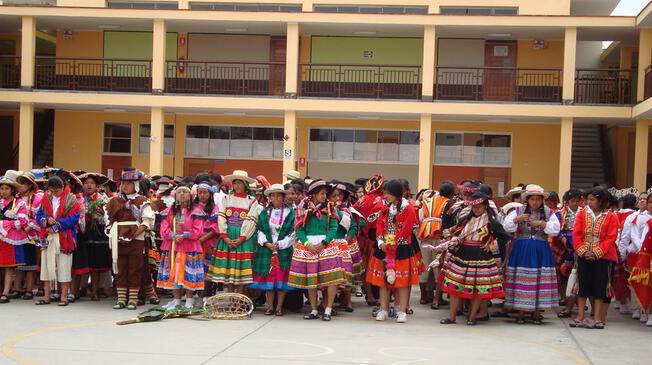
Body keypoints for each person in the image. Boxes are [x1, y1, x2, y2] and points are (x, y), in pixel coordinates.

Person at [438, 192, 510, 325]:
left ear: (485, 206)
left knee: (477, 288)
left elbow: (504, 237)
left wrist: (492, 245)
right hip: (462, 255)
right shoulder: (465, 220)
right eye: (474, 207)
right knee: (455, 286)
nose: (476, 209)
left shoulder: (491, 222)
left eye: (479, 207)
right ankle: (452, 317)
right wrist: (455, 240)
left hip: (481, 257)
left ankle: (472, 317)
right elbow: (457, 233)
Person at [503, 184, 561, 324]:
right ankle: (520, 312)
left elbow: (555, 230)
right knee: (521, 279)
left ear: (542, 201)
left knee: (539, 280)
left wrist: (542, 224)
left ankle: (536, 312)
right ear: (527, 200)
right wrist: (517, 220)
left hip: (540, 249)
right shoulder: (518, 211)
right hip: (521, 249)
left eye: (538, 199)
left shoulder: (548, 213)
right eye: (532, 199)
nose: (535, 202)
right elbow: (506, 226)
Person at [288, 179, 345, 321]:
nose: (324, 196)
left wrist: (324, 242)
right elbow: (299, 228)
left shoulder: (330, 207)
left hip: (326, 244)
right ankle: (314, 309)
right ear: (313, 194)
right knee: (310, 278)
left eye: (325, 193)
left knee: (332, 278)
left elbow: (333, 227)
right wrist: (307, 243)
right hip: (308, 245)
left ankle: (328, 309)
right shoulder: (303, 207)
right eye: (322, 193)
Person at [368, 179, 421, 323]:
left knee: (402, 282)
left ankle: (402, 311)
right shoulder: (385, 209)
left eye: (387, 193)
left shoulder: (408, 209)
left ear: (396, 194)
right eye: (385, 193)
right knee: (382, 282)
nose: (385, 196)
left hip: (402, 248)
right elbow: (379, 225)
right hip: (384, 248)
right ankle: (383, 309)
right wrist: (380, 242)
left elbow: (406, 230)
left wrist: (392, 243)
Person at [105, 167, 156, 310]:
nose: (125, 186)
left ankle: (132, 299)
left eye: (128, 183)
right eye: (123, 183)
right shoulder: (114, 201)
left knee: (134, 269)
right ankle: (121, 299)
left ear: (136, 185)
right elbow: (108, 218)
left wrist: (134, 234)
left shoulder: (143, 200)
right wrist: (115, 233)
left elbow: (147, 221)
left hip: (137, 239)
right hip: (118, 238)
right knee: (120, 268)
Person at [570, 188, 619, 329]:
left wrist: (597, 252)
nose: (588, 202)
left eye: (592, 199)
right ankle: (580, 315)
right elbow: (577, 233)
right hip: (584, 254)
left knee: (600, 285)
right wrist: (584, 251)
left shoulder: (611, 216)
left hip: (602, 256)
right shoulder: (582, 213)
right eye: (588, 199)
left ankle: (597, 316)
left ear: (601, 201)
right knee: (582, 284)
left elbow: (611, 237)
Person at [208, 170, 260, 293]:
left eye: (240, 183)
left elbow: (251, 220)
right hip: (227, 235)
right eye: (235, 183)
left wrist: (242, 238)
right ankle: (230, 297)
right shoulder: (226, 199)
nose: (237, 186)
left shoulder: (251, 200)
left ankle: (238, 300)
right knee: (228, 271)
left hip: (243, 238)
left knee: (241, 270)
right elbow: (221, 216)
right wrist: (224, 236)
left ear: (245, 184)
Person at [250, 184, 296, 316]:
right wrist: (266, 242)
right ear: (269, 197)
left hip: (284, 249)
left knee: (281, 280)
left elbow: (293, 233)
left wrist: (281, 244)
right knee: (269, 279)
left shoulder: (290, 213)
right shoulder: (264, 212)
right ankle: (270, 306)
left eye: (279, 195)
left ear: (283, 197)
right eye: (273, 195)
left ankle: (279, 307)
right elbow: (259, 230)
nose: (276, 198)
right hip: (267, 249)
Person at [35, 176, 81, 306]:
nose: (53, 193)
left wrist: (55, 226)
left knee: (64, 266)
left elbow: (74, 218)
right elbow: (39, 217)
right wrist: (46, 219)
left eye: (56, 191)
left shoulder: (71, 200)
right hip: (48, 238)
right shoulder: (45, 199)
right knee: (47, 266)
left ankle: (64, 297)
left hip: (64, 238)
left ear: (62, 188)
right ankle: (46, 297)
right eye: (51, 191)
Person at [157, 185, 205, 310]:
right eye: (179, 192)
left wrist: (185, 235)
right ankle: (176, 300)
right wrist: (172, 235)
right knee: (174, 272)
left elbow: (198, 230)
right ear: (175, 195)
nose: (182, 194)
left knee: (189, 273)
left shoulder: (196, 211)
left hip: (190, 246)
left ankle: (189, 300)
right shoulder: (169, 211)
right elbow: (164, 227)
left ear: (191, 195)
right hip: (173, 245)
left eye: (185, 192)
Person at [417, 180, 455, 309]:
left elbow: (420, 217)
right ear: (451, 194)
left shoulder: (427, 201)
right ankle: (436, 300)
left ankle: (423, 296)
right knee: (438, 266)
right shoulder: (449, 203)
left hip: (425, 234)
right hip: (440, 236)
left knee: (425, 265)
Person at [75, 173, 112, 301]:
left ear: (97, 186)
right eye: (86, 183)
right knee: (82, 262)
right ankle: (80, 289)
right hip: (83, 233)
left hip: (98, 234)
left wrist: (98, 218)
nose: (89, 185)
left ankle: (95, 291)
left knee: (95, 265)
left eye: (92, 183)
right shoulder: (78, 199)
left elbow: (109, 218)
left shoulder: (103, 199)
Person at [15, 172, 44, 301]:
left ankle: (29, 289)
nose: (20, 186)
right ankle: (17, 289)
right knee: (19, 262)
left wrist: (30, 225)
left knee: (33, 262)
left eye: (22, 184)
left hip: (34, 234)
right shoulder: (16, 199)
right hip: (18, 233)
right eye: (18, 184)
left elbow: (39, 215)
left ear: (29, 185)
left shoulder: (37, 198)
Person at [0, 176, 29, 303]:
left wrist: (6, 224)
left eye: (6, 188)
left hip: (10, 237)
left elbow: (22, 221)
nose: (3, 191)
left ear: (12, 190)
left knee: (9, 266)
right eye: (1, 188)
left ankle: (6, 292)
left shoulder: (19, 203)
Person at [556, 188, 582, 318]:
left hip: (580, 247)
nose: (575, 203)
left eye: (578, 201)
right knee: (564, 276)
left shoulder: (584, 213)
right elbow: (557, 230)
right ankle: (567, 301)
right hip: (565, 248)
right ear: (566, 202)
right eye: (573, 201)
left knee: (576, 277)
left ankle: (573, 304)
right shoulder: (560, 214)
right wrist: (564, 240)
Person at [629, 193, 652, 327]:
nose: (650, 204)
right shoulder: (642, 219)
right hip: (646, 255)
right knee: (647, 285)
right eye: (649, 202)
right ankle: (647, 312)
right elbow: (641, 239)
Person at [192, 182, 219, 298]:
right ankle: (190, 296)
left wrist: (202, 239)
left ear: (210, 194)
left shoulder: (214, 208)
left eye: (205, 193)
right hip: (193, 243)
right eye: (200, 192)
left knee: (205, 271)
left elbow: (216, 227)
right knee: (192, 269)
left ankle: (202, 296)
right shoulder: (192, 207)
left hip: (208, 243)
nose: (202, 195)